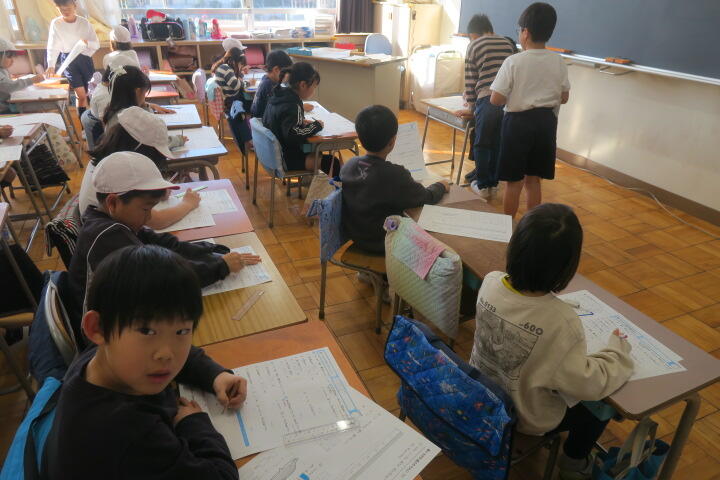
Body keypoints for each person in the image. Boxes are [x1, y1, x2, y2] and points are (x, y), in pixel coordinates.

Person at [43, 244, 244, 480]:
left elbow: (180, 350)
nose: (166, 354)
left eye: (181, 331)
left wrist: (215, 375)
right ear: (97, 328)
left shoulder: (99, 356)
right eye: (147, 331)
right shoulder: (129, 434)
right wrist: (193, 422)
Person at [469, 203, 633, 480]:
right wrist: (618, 352)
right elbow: (589, 383)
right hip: (524, 418)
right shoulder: (562, 321)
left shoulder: (491, 281)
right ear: (567, 266)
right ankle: (573, 464)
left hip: (482, 392)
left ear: (515, 246)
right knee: (600, 408)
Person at [67, 151, 261, 344]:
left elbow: (164, 244)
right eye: (146, 209)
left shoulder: (115, 221)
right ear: (113, 202)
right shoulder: (108, 237)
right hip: (105, 337)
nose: (149, 217)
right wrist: (221, 267)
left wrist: (211, 250)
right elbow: (167, 283)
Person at [490, 2, 570, 218]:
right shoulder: (558, 60)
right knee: (534, 180)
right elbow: (564, 97)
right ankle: (531, 225)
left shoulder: (513, 61)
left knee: (513, 182)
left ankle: (508, 226)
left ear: (525, 32)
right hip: (545, 124)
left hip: (517, 125)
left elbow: (496, 99)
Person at [340, 105, 448, 253]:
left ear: (360, 137)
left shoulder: (349, 165)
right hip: (386, 241)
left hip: (357, 238)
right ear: (392, 141)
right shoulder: (395, 175)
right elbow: (426, 197)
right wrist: (441, 185)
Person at [79, 106, 192, 227]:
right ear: (138, 149)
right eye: (153, 156)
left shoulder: (108, 160)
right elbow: (158, 221)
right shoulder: (116, 172)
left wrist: (156, 192)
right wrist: (188, 203)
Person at [460, 14, 516, 199]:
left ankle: (482, 185)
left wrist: (471, 107)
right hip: (506, 100)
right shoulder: (507, 43)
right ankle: (493, 183)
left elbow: (471, 80)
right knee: (497, 143)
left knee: (482, 143)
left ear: (473, 34)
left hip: (486, 99)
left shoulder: (474, 46)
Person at [262, 62, 339, 175]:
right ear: (303, 85)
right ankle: (338, 187)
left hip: (271, 155)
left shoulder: (277, 95)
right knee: (332, 162)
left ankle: (314, 184)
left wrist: (298, 122)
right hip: (287, 159)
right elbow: (293, 135)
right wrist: (315, 126)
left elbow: (280, 121)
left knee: (318, 152)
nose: (314, 91)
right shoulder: (293, 105)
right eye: (314, 86)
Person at [46, 0, 100, 119]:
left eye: (68, 9)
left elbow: (96, 44)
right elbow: (53, 46)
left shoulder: (84, 23)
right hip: (68, 62)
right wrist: (51, 64)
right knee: (81, 95)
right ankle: (82, 123)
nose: (65, 12)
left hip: (84, 59)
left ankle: (94, 120)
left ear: (75, 6)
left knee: (91, 93)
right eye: (62, 9)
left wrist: (87, 43)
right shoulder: (56, 23)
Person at [102, 65, 175, 129]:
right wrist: (146, 106)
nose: (144, 99)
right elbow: (153, 129)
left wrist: (147, 105)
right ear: (138, 91)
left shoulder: (114, 110)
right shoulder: (132, 118)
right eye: (144, 94)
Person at [212, 46, 252, 155]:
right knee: (252, 106)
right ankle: (248, 140)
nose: (240, 66)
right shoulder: (226, 68)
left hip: (231, 100)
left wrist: (241, 74)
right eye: (240, 64)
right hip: (230, 102)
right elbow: (236, 85)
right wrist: (246, 81)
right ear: (234, 61)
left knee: (251, 103)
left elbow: (236, 82)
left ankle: (250, 137)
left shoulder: (225, 67)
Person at [0, 38, 44, 113]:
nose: (12, 60)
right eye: (9, 56)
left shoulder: (3, 69)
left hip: (7, 105)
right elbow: (9, 86)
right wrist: (31, 80)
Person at [250, 49, 297, 119]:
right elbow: (277, 110)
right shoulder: (269, 86)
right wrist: (297, 108)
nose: (288, 77)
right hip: (261, 122)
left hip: (258, 118)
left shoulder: (266, 78)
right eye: (287, 73)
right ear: (276, 70)